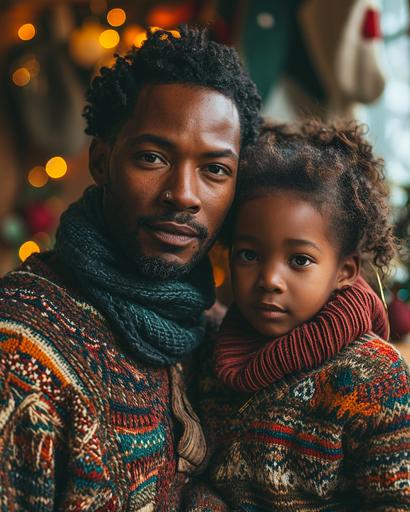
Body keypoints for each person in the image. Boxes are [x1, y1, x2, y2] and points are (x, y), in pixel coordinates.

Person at [0, 26, 389, 511]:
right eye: (152, 157)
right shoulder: (21, 348)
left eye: (215, 169)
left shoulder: (206, 339)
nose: (183, 193)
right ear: (102, 162)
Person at [183, 121, 410, 511]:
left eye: (300, 260)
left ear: (345, 272)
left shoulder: (374, 377)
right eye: (249, 255)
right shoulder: (209, 355)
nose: (270, 280)